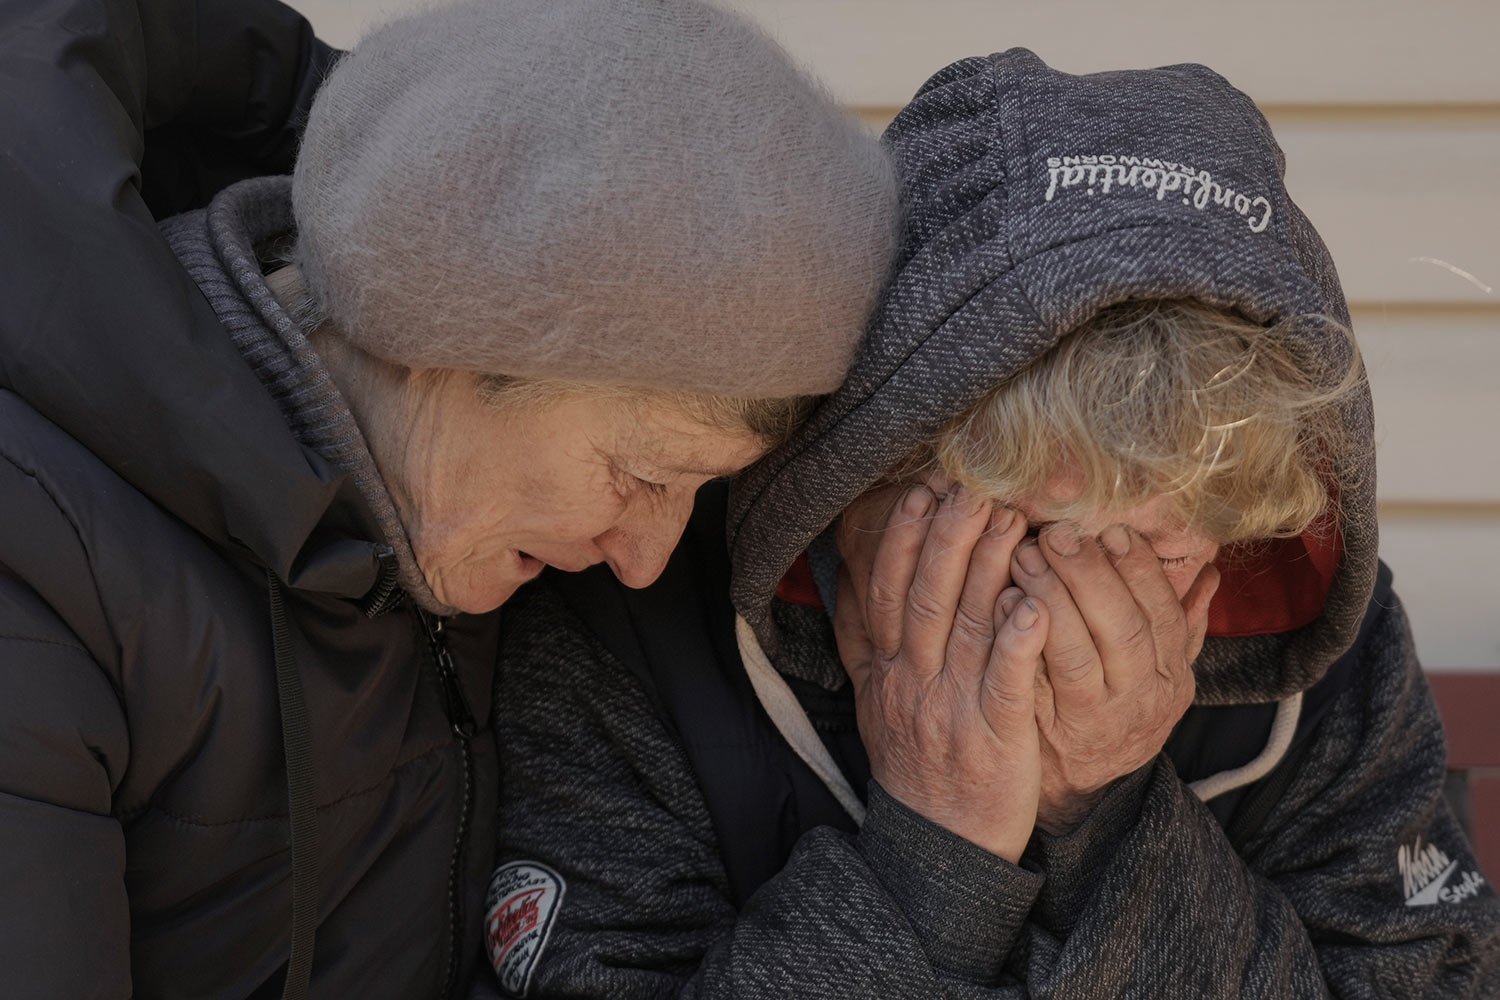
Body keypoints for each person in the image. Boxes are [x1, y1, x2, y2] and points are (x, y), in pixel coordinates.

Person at [484, 49, 1500, 996]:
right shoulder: (635, 617)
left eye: (1158, 541)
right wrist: (935, 849)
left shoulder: (1317, 663)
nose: (1079, 611)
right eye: (1032, 532)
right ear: (861, 464)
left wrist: (1106, 819)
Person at [0, 0, 898, 995]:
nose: (646, 557)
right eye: (641, 475)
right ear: (445, 339)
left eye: (698, 492)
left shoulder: (449, 517)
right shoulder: (35, 562)